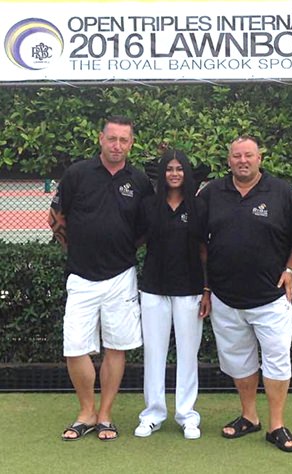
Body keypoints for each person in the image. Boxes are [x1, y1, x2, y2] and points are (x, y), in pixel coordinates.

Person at [198, 135, 292, 453]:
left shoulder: (282, 193)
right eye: (237, 156)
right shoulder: (212, 193)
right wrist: (208, 286)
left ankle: (276, 424)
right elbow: (199, 242)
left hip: (271, 297)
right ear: (229, 160)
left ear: (259, 158)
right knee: (239, 362)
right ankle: (249, 416)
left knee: (277, 361)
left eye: (248, 155)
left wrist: (290, 270)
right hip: (225, 298)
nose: (242, 161)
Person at [48, 116, 153, 441]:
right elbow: (56, 217)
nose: (117, 145)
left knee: (116, 348)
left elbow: (144, 229)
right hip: (80, 277)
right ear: (100, 139)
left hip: (121, 276)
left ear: (131, 143)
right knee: (75, 348)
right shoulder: (77, 174)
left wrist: (120, 248)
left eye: (124, 140)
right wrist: (75, 248)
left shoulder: (139, 180)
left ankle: (105, 415)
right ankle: (86, 412)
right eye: (112, 139)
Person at [134, 149, 211, 440]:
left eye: (180, 169)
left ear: (187, 173)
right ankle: (152, 414)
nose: (175, 173)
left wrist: (207, 288)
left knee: (188, 354)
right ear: (162, 173)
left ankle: (187, 415)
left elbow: (205, 250)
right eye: (169, 169)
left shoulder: (200, 207)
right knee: (154, 353)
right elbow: (136, 240)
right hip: (153, 288)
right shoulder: (148, 205)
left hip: (190, 289)